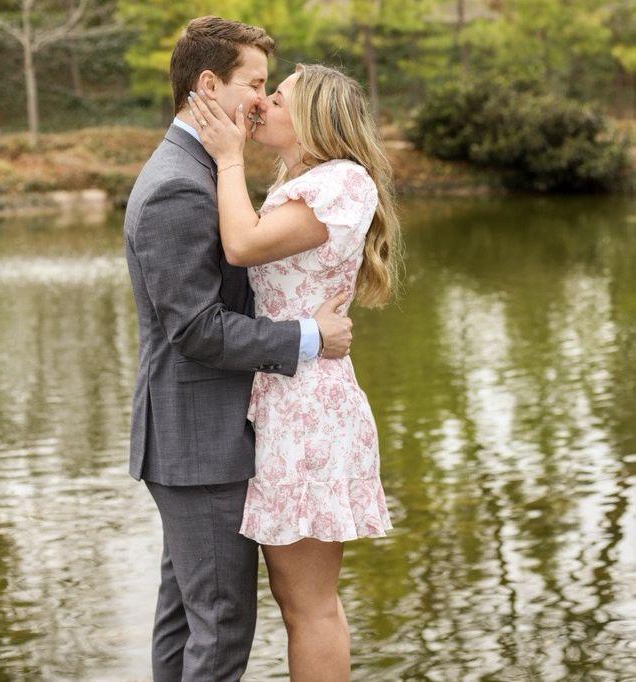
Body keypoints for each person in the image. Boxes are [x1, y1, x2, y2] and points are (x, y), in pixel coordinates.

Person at [123, 17, 355, 682]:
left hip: (199, 440)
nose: (260, 100)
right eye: (255, 84)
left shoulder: (198, 171)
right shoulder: (179, 185)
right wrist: (309, 337)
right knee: (222, 628)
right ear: (208, 85)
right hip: (200, 444)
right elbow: (197, 329)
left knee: (187, 620)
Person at [187, 62, 401, 681]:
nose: (261, 105)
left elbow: (242, 246)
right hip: (286, 391)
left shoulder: (343, 182)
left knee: (308, 603)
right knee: (296, 599)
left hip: (309, 405)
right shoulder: (304, 181)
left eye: (276, 98)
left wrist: (229, 158)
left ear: (313, 119)